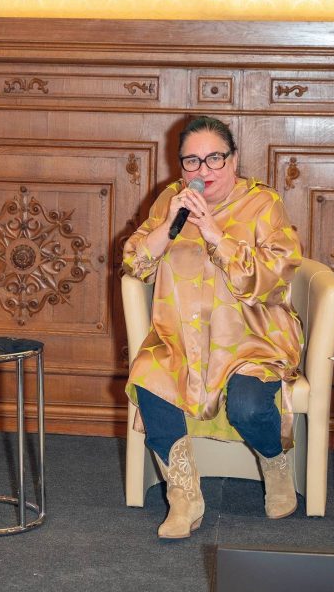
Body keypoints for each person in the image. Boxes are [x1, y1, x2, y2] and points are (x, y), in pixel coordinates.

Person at [123, 116, 303, 539]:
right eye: (192, 161)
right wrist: (171, 225)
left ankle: (274, 462)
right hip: (181, 336)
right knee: (151, 378)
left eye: (214, 159)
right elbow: (135, 263)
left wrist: (213, 231)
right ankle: (184, 497)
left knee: (248, 406)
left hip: (250, 337)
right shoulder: (171, 201)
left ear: (234, 159)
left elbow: (272, 280)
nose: (203, 171)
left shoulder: (263, 204)